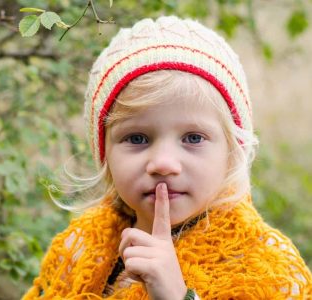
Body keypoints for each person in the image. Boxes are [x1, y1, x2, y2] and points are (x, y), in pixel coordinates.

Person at [23, 16, 312, 299]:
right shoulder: (82, 246)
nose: (163, 162)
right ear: (105, 154)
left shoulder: (265, 269)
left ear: (231, 151)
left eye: (193, 138)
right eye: (137, 138)